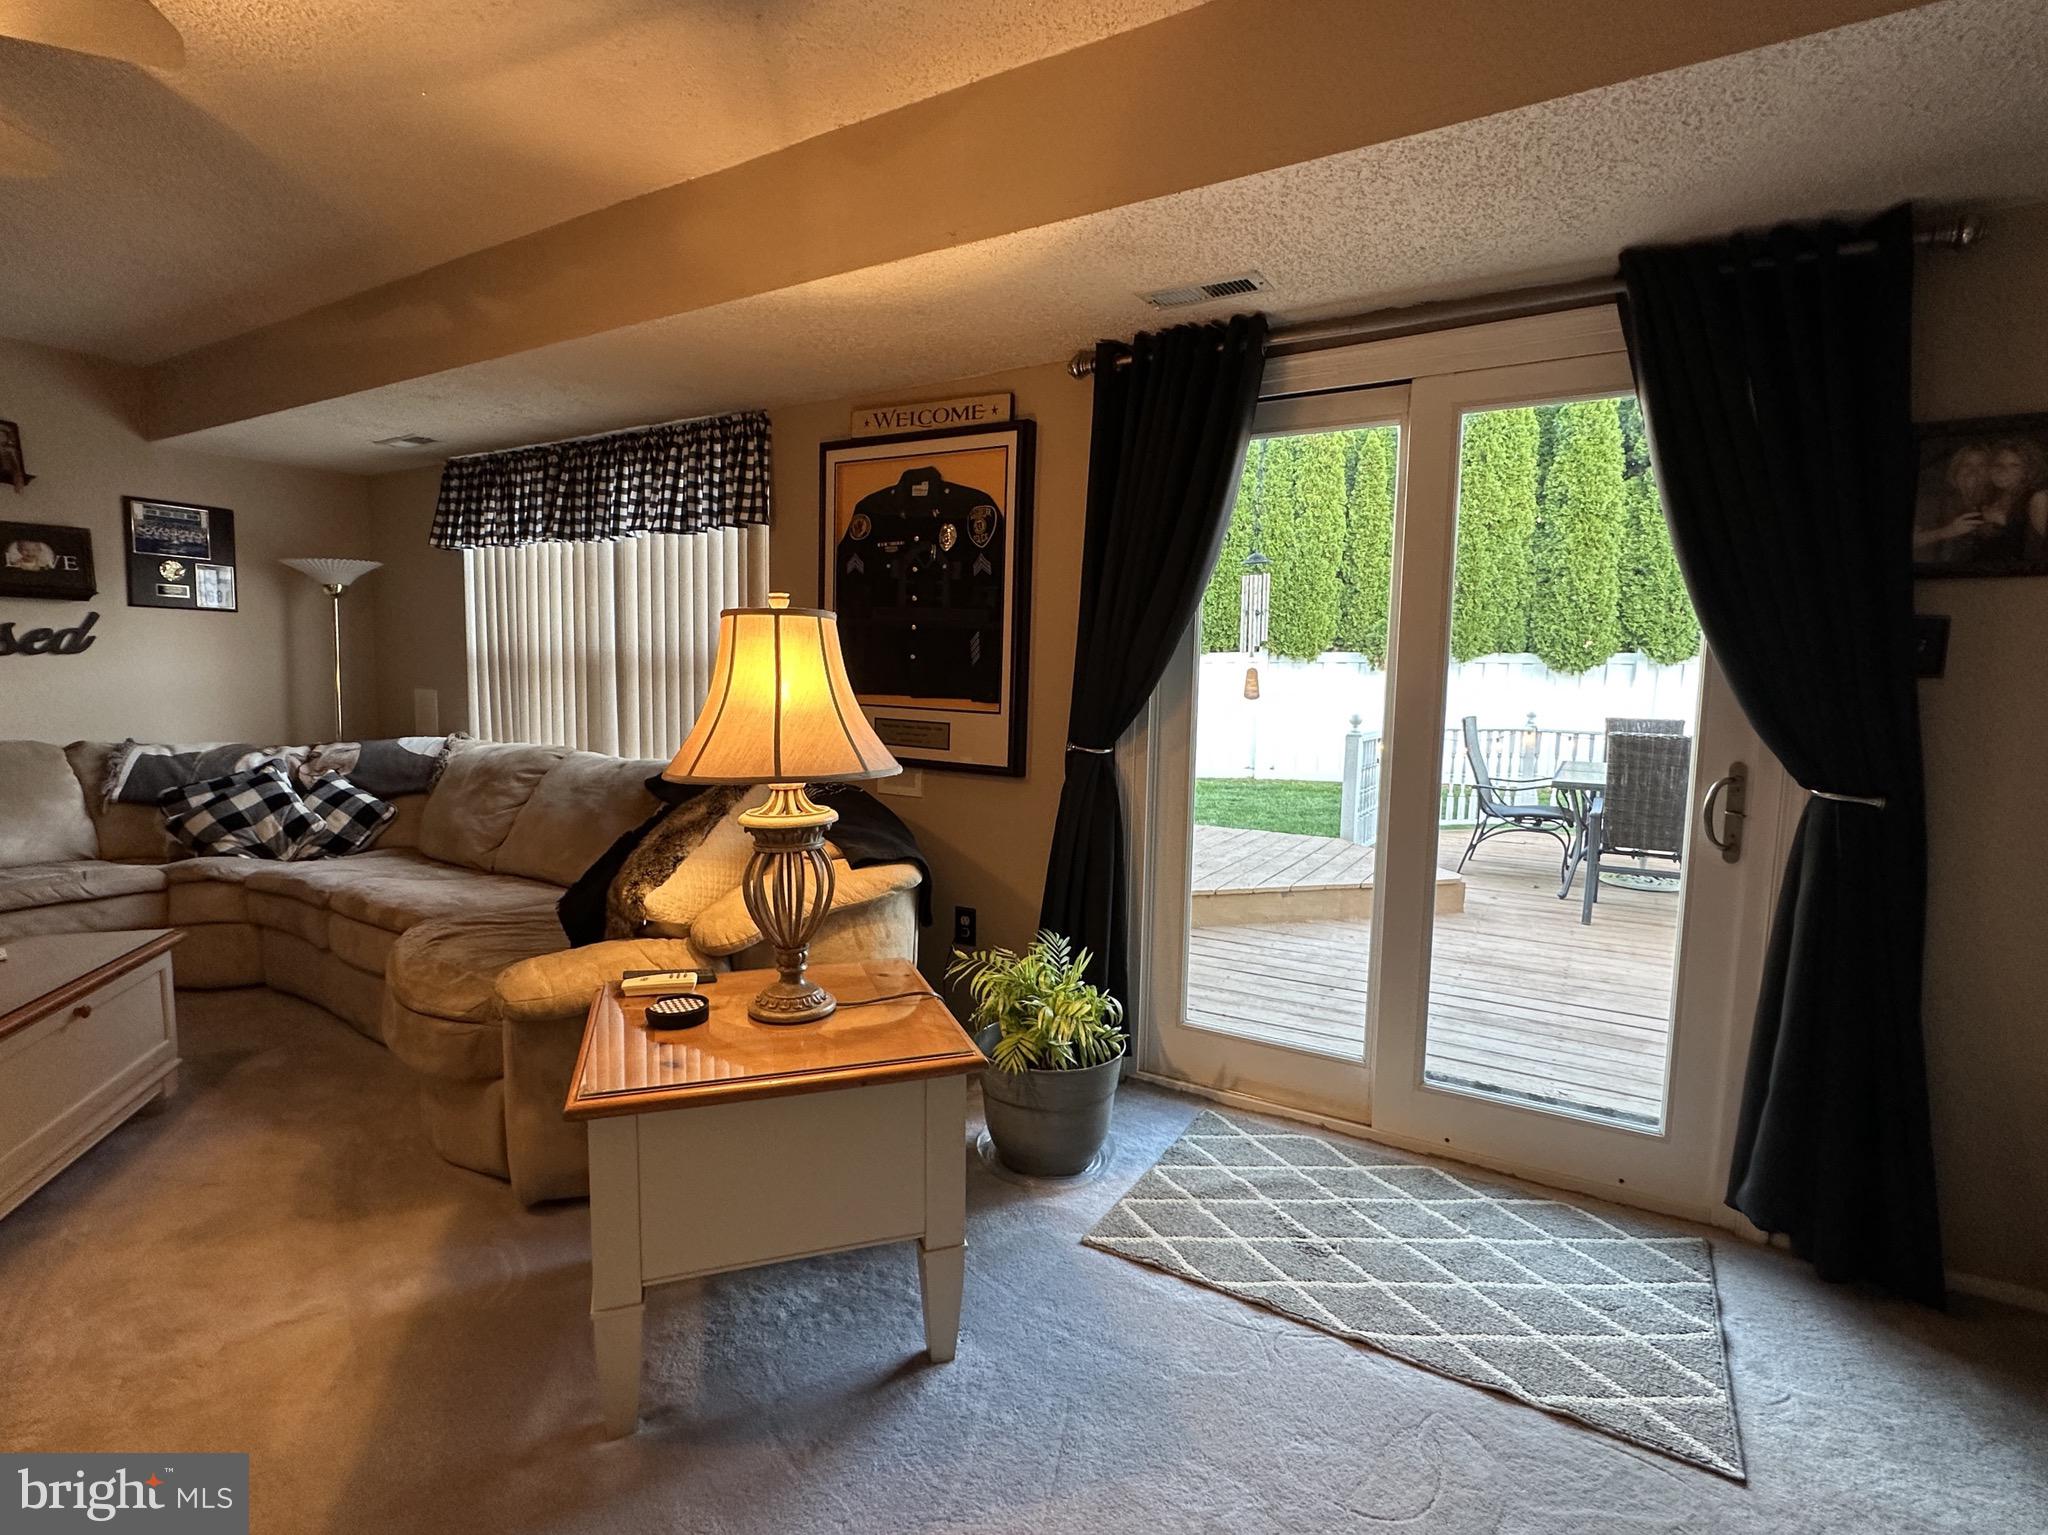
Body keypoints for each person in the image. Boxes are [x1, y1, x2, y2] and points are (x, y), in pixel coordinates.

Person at [1913, 444, 1994, 564]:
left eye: (1981, 465)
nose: (1973, 470)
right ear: (1955, 471)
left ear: (1989, 473)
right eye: (1967, 465)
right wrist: (1948, 531)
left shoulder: (1991, 505)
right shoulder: (1933, 502)